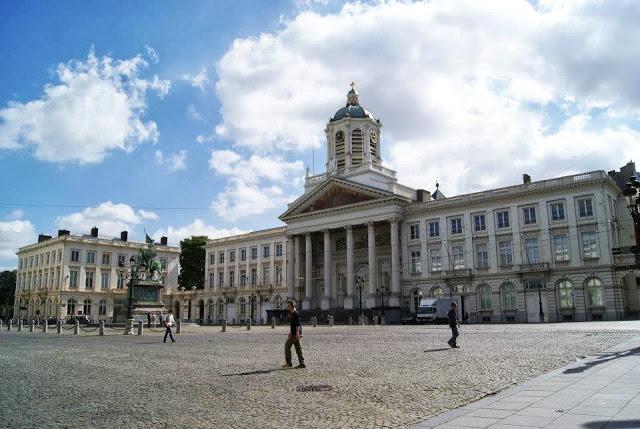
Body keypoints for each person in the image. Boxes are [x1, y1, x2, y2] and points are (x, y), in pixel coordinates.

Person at [282, 299, 305, 369]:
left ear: (292, 306)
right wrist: (290, 332)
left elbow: (297, 325)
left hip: (295, 334)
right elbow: (293, 325)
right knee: (298, 348)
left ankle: (288, 363)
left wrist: (297, 334)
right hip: (295, 333)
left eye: (288, 306)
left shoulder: (295, 313)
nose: (287, 307)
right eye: (287, 306)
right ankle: (302, 363)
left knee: (287, 346)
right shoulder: (293, 313)